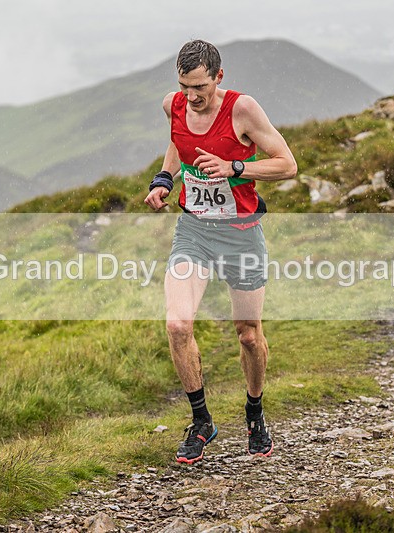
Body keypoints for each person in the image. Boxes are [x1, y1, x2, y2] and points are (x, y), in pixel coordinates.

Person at [144, 40, 297, 464]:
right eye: (184, 86)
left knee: (248, 334)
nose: (192, 97)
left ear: (219, 77)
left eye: (200, 87)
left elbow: (287, 164)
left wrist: (236, 169)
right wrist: (164, 179)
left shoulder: (242, 110)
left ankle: (254, 412)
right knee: (177, 325)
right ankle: (201, 421)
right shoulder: (173, 105)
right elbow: (178, 144)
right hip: (194, 231)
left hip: (241, 234)